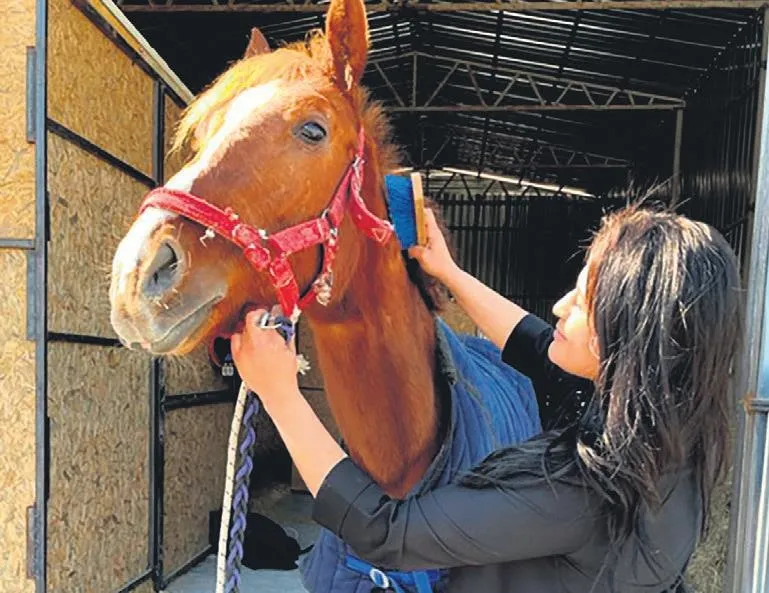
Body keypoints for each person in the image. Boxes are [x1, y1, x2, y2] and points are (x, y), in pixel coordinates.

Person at [230, 204, 744, 593]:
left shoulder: (580, 493)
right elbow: (541, 348)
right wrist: (448, 271)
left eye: (586, 300)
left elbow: (386, 533)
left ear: (632, 336)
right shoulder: (670, 442)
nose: (561, 305)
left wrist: (281, 395)